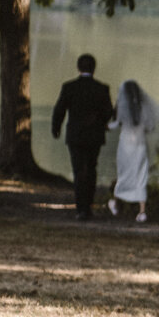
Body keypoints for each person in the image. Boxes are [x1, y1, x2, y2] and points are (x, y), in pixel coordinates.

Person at [50, 54, 114, 221]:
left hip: (75, 136)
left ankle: (81, 209)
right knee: (91, 169)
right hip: (94, 136)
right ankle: (89, 206)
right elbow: (108, 113)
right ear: (94, 68)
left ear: (79, 68)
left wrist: (55, 128)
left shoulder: (69, 87)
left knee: (79, 171)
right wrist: (101, 122)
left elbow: (60, 110)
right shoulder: (102, 88)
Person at [107, 79, 159, 223]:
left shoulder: (122, 107)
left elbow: (115, 124)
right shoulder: (144, 108)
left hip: (125, 145)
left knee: (123, 173)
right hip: (140, 145)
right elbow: (150, 127)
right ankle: (142, 211)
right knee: (141, 176)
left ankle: (116, 203)